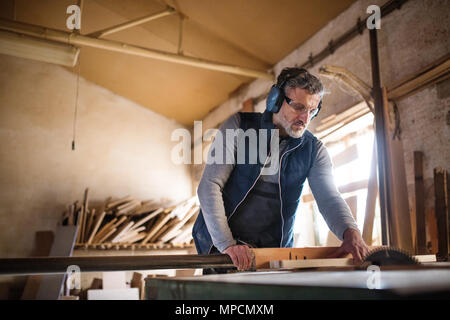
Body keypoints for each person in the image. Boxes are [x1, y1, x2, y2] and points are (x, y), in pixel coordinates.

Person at [192, 67, 369, 272]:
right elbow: (209, 186)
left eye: (312, 111)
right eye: (298, 107)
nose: (305, 118)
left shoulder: (314, 150)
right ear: (275, 101)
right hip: (226, 250)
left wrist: (351, 233)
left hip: (273, 253)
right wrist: (227, 244)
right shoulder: (238, 127)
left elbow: (329, 198)